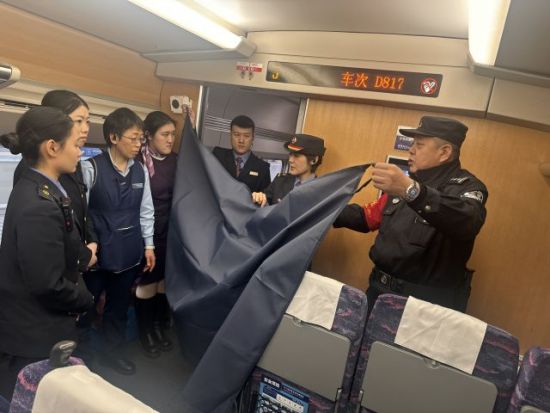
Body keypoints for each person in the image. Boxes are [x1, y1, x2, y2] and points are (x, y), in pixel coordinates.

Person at [334, 116, 488, 312]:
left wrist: (412, 191)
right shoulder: (405, 185)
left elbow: (466, 221)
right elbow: (366, 217)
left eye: (419, 145)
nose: (411, 150)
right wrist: (322, 209)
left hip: (423, 307)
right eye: (412, 143)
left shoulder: (466, 187)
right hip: (378, 292)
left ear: (444, 152)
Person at [0, 107, 94, 399]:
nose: (80, 152)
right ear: (52, 147)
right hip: (33, 335)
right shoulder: (39, 205)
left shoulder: (40, 186)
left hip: (35, 322)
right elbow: (47, 284)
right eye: (75, 145)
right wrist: (85, 299)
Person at [81, 107, 155, 375]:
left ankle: (113, 354)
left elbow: (146, 210)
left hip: (129, 251)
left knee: (118, 308)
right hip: (98, 254)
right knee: (85, 308)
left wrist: (149, 245)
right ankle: (82, 360)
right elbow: (81, 213)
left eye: (141, 139)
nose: (138, 145)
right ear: (113, 137)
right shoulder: (90, 168)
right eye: (133, 138)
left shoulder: (140, 171)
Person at [13, 90, 98, 272]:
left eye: (88, 121)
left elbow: (81, 210)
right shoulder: (32, 169)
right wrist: (82, 258)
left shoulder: (72, 162)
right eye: (78, 121)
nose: (85, 129)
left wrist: (90, 243)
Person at [136, 110, 184, 357]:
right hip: (147, 232)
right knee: (147, 282)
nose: (170, 139)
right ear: (148, 135)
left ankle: (158, 326)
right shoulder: (139, 161)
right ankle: (145, 332)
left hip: (170, 230)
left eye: (173, 134)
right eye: (164, 134)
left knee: (164, 282)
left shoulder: (177, 161)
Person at [252, 133, 326, 206]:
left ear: (314, 160)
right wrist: (259, 198)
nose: (290, 160)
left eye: (296, 156)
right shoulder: (280, 181)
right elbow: (265, 204)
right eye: (290, 154)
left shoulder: (321, 192)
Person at [212, 115, 271, 193]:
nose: (241, 140)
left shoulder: (263, 168)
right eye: (236, 135)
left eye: (246, 136)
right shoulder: (218, 156)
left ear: (253, 137)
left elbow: (266, 197)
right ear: (231, 135)